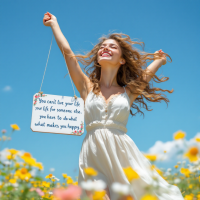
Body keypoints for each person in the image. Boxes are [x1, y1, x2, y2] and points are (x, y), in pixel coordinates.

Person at [43, 12, 184, 200]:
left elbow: (150, 70)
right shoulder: (87, 87)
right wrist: (54, 24)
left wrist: (159, 59)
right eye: (102, 47)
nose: (105, 48)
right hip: (93, 152)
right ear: (98, 57)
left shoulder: (129, 92)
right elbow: (68, 55)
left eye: (112, 47)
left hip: (123, 154)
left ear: (122, 59)